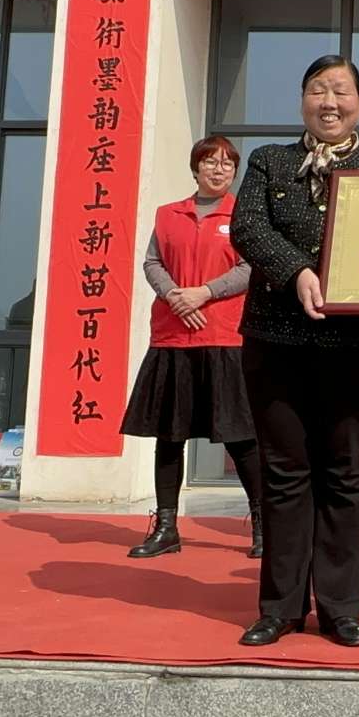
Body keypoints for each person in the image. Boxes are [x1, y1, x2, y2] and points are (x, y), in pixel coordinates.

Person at [230, 54, 359, 650]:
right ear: (302, 100)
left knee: (346, 473)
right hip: (275, 340)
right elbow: (248, 228)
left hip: (356, 346)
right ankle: (280, 608)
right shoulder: (269, 160)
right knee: (284, 473)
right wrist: (298, 271)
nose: (329, 102)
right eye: (317, 90)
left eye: (340, 91)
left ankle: (341, 608)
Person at [120, 136, 262, 561]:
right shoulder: (169, 214)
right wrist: (174, 296)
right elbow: (152, 262)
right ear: (195, 167)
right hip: (173, 336)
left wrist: (204, 292)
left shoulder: (244, 214)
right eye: (210, 162)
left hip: (224, 337)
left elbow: (251, 267)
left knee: (241, 437)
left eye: (227, 164)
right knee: (169, 437)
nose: (219, 170)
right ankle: (166, 527)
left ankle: (265, 524)